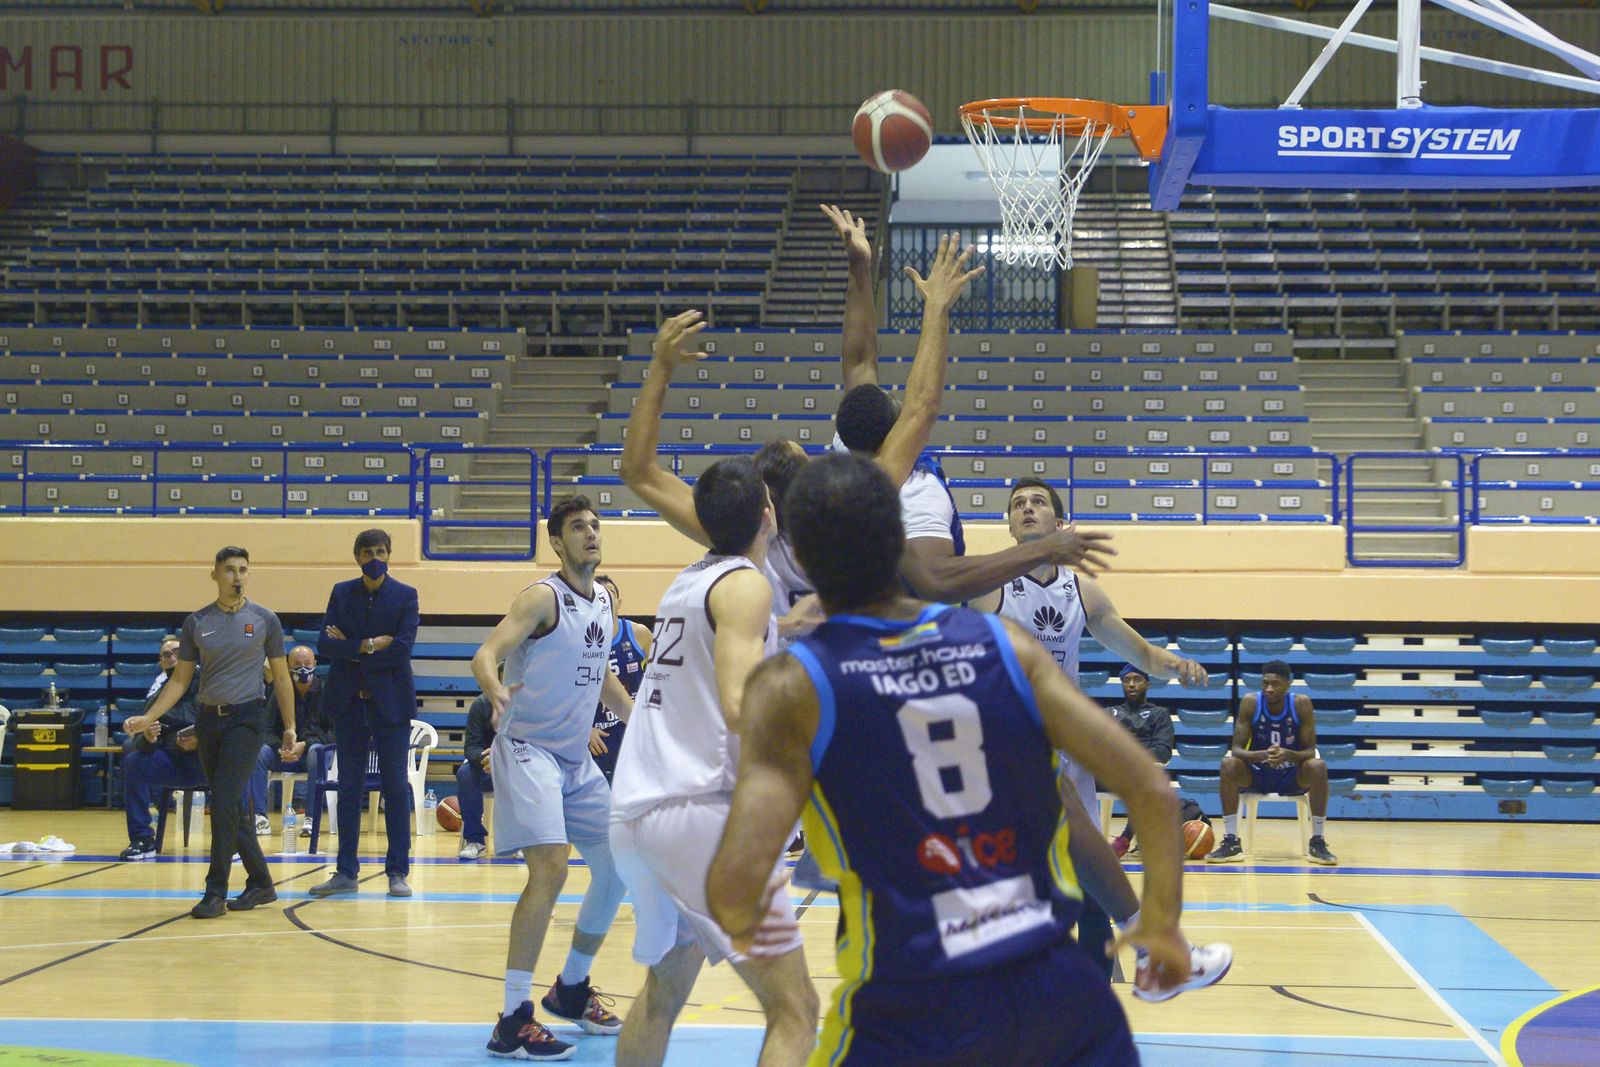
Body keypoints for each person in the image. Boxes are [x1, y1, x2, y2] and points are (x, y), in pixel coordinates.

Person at [705, 453, 1197, 1065]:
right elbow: (1152, 789)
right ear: (901, 541)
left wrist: (748, 918)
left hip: (909, 1011)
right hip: (1060, 1001)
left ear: (800, 556)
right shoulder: (1007, 645)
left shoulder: (791, 688)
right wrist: (1161, 920)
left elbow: (732, 886)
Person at [608, 444, 817, 1067]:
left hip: (639, 817)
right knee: (796, 1010)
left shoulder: (689, 579)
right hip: (701, 818)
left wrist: (786, 627)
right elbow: (736, 704)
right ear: (769, 513)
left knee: (664, 989)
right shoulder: (748, 587)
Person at [968, 476, 1207, 975]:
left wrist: (1174, 665)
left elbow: (1139, 652)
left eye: (1038, 503)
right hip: (1008, 742)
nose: (1027, 509)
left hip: (1067, 740)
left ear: (1059, 520)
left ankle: (1104, 977)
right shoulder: (988, 587)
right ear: (1009, 525)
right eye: (1017, 505)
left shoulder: (1083, 590)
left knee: (1089, 868)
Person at [821, 206, 1114, 601]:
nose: (898, 401)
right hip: (893, 641)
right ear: (896, 431)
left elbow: (858, 360)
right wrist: (937, 308)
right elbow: (938, 582)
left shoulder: (845, 448)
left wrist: (859, 267)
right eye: (897, 408)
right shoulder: (915, 495)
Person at [472, 494, 637, 1061]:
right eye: (577, 527)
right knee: (552, 867)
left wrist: (641, 721)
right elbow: (486, 652)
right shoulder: (543, 597)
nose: (590, 533)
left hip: (576, 762)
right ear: (557, 541)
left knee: (619, 868)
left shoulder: (603, 605)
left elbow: (604, 678)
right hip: (528, 751)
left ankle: (570, 989)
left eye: (595, 525)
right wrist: (493, 686)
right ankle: (514, 1018)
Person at [124, 546, 296, 919]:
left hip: (247, 720)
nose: (237, 576)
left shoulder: (264, 619)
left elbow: (281, 676)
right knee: (232, 805)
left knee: (223, 800)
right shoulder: (196, 622)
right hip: (208, 720)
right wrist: (147, 717)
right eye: (230, 569)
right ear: (215, 574)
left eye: (244, 570)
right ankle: (262, 883)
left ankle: (215, 891)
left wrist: (290, 726)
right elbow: (180, 681)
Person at [309, 529, 421, 899]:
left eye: (381, 550)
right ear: (357, 557)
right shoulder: (341, 592)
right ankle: (345, 871)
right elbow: (325, 644)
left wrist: (350, 648)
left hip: (391, 705)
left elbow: (401, 651)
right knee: (349, 787)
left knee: (394, 786)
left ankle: (397, 872)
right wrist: (370, 645)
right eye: (368, 551)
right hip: (349, 704)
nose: (375, 556)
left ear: (390, 554)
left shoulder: (406, 596)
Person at [1210, 660, 1338, 865]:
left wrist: (1287, 754)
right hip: (1257, 774)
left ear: (1288, 684)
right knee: (1228, 764)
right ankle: (1232, 842)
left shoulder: (1301, 703)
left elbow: (1310, 752)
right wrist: (1262, 755)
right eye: (1265, 683)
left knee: (1318, 766)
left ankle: (1317, 841)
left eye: (1275, 684)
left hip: (1291, 775)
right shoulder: (1251, 702)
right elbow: (1237, 749)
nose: (1269, 689)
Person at [119, 637, 203, 861]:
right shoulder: (158, 696)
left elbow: (226, 726)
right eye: (167, 655)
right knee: (134, 761)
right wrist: (149, 738)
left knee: (238, 758)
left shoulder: (209, 685)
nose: (173, 657)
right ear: (162, 663)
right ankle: (143, 839)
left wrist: (200, 740)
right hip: (174, 762)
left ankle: (235, 839)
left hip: (208, 762)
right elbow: (140, 744)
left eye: (177, 651)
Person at [249, 645, 330, 836]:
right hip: (284, 754)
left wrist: (305, 745)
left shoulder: (327, 692)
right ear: (287, 665)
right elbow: (266, 730)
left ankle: (311, 818)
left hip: (313, 753)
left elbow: (334, 733)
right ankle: (260, 817)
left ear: (315, 664)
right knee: (259, 753)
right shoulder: (280, 692)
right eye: (297, 664)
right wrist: (281, 748)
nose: (303, 669)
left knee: (316, 751)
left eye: (307, 664)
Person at [1106, 664, 1179, 858]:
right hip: (1109, 773)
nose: (1131, 684)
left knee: (1146, 777)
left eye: (1136, 680)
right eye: (1127, 680)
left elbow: (1163, 752)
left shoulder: (1159, 714)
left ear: (1147, 683)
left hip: (1140, 774)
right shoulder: (1109, 713)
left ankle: (1125, 838)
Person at [588, 573, 652, 784]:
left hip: (634, 731)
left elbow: (660, 682)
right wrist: (583, 730)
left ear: (619, 602)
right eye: (600, 595)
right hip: (599, 739)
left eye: (610, 594)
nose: (605, 599)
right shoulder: (583, 640)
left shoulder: (639, 633)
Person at [456, 688, 495, 861]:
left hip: (516, 766)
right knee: (465, 774)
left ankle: (524, 842)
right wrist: (486, 758)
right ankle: (474, 841)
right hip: (485, 767)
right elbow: (470, 747)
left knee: (532, 777)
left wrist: (503, 758)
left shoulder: (526, 704)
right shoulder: (481, 705)